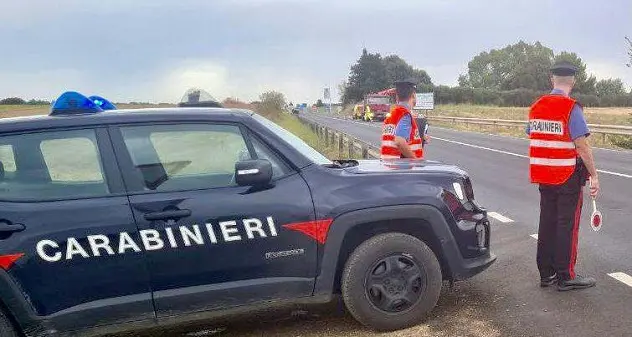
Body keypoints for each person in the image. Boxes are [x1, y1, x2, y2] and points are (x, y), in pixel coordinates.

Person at [527, 60, 600, 291]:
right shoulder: (571, 108)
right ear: (574, 81)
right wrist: (594, 175)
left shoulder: (536, 106)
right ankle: (566, 275)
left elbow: (533, 133)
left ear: (552, 79)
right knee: (566, 225)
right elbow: (582, 146)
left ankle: (546, 274)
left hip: (543, 176)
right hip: (566, 176)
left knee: (547, 222)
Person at [380, 78, 424, 159]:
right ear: (413, 95)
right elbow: (399, 141)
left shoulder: (393, 113)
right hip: (401, 167)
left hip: (388, 165)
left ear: (397, 97)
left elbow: (393, 138)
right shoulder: (405, 114)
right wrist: (415, 160)